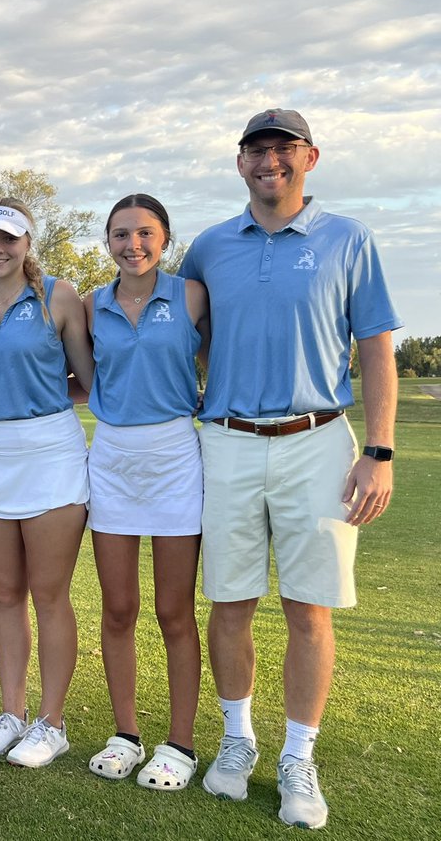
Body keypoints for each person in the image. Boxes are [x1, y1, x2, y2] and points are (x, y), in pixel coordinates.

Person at [180, 109, 401, 829]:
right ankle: (238, 742)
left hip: (319, 438)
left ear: (310, 156)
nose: (269, 160)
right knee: (230, 601)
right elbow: (194, 334)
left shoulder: (347, 238)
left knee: (308, 608)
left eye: (283, 149)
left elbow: (374, 346)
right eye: (256, 150)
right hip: (230, 438)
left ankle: (297, 756)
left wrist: (379, 449)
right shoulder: (210, 247)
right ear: (239, 162)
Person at [0, 197, 94, 767]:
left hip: (50, 452)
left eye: (9, 239)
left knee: (49, 593)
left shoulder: (57, 297)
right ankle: (11, 713)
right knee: (5, 592)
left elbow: (86, 381)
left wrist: (33, 407)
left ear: (26, 244)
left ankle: (51, 722)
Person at [83, 194, 210, 790]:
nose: (132, 245)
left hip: (174, 457)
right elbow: (84, 376)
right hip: (111, 457)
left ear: (165, 238)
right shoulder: (91, 306)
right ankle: (126, 734)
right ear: (107, 242)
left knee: (173, 610)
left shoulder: (190, 295)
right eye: (120, 234)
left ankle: (179, 744)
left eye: (145, 233)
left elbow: (216, 358)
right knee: (118, 608)